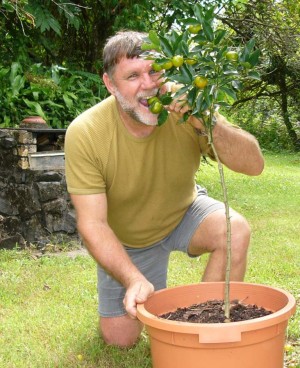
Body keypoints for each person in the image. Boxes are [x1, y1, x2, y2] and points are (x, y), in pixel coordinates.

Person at [64, 31, 264, 348]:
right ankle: (141, 287)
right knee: (121, 340)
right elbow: (92, 223)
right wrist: (133, 279)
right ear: (109, 84)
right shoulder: (86, 132)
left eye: (155, 70)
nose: (149, 83)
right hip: (128, 238)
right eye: (132, 76)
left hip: (183, 210)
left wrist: (207, 123)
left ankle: (204, 331)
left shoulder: (190, 107)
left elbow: (254, 165)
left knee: (234, 230)